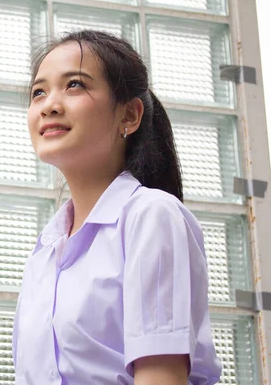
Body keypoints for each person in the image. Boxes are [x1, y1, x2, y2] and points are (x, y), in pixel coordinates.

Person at [12, 30, 222, 384]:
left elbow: (161, 377)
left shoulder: (151, 216)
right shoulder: (47, 248)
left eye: (75, 85)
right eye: (38, 92)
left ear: (129, 116)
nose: (49, 104)